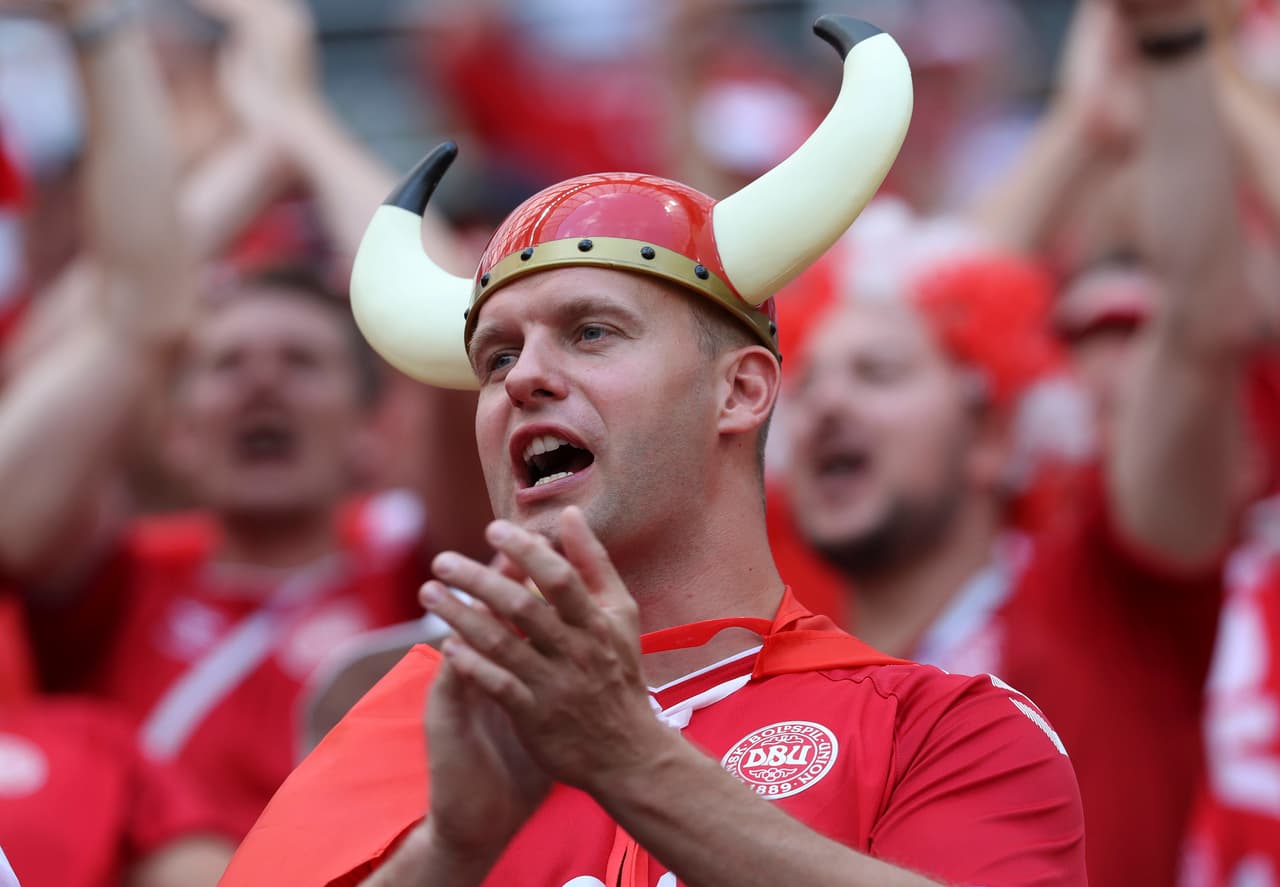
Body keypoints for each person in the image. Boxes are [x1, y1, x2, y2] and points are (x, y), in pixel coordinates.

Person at [219, 18, 1086, 887]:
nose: (526, 380)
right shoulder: (417, 727)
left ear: (741, 390)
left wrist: (630, 760)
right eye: (497, 358)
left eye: (592, 332)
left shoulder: (942, 727)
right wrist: (447, 855)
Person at [780, 2, 1266, 885]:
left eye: (877, 376)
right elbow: (936, 296)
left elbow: (1200, 326)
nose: (828, 403)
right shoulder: (786, 652)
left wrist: (1173, 44)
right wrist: (1080, 131)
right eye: (806, 383)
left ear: (994, 434)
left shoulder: (1100, 600)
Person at [0, 0, 488, 841]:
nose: (263, 384)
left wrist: (298, 119)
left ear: (375, 435)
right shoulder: (114, 580)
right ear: (176, 434)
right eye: (225, 365)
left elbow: (455, 334)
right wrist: (259, 151)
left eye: (302, 363)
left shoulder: (422, 564)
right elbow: (99, 334)